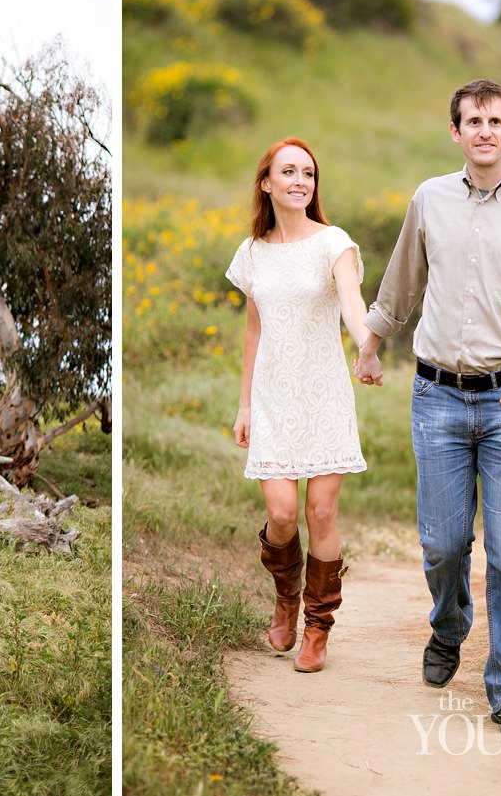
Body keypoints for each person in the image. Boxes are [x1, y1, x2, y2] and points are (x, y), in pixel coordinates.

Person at [354, 79, 501, 736]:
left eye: (496, 120)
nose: (484, 130)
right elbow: (400, 284)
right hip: (437, 398)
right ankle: (449, 622)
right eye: (472, 120)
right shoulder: (429, 200)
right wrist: (371, 346)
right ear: (455, 131)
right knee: (442, 544)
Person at [226, 137, 373, 673]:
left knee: (321, 512)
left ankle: (317, 626)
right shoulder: (252, 252)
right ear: (266, 182)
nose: (299, 181)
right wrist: (243, 404)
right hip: (272, 396)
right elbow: (253, 330)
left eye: (307, 174)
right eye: (287, 172)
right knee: (283, 515)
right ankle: (286, 595)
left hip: (324, 394)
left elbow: (354, 304)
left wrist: (367, 345)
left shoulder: (335, 243)